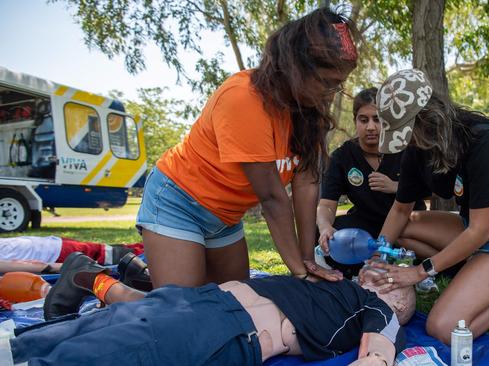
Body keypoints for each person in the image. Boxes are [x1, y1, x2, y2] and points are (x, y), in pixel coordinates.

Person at [136, 7, 359, 291]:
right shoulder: (244, 99)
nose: (330, 94)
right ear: (299, 67)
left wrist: (307, 259)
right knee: (183, 310)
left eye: (337, 86)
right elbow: (272, 198)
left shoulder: (308, 111)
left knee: (236, 301)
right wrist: (300, 274)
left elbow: (306, 184)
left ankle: (143, 276)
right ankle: (106, 285)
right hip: (179, 202)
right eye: (328, 83)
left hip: (226, 217)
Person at [363, 69, 489, 344]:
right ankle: (479, 271)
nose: (406, 140)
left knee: (444, 328)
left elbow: (481, 232)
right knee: (405, 228)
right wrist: (376, 257)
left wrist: (419, 271)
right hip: (475, 226)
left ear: (428, 119)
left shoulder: (483, 141)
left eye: (407, 132)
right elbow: (400, 211)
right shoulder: (417, 148)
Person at [13, 252, 416, 365]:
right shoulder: (333, 283)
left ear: (397, 299)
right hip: (220, 322)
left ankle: (93, 278)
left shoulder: (377, 308)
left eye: (390, 278)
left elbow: (378, 351)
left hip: (213, 307)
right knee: (110, 348)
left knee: (101, 333)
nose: (381, 274)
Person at [316, 88, 426, 278]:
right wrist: (325, 227)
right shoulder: (342, 157)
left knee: (412, 238)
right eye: (363, 120)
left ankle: (413, 263)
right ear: (355, 121)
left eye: (377, 119)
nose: (371, 127)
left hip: (408, 222)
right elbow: (326, 204)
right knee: (319, 232)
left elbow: (434, 189)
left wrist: (396, 187)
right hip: (366, 228)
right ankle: (357, 267)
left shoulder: (406, 147)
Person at [0, 235, 143, 274]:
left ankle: (153, 249)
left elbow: (30, 266)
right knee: (110, 252)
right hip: (50, 247)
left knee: (111, 255)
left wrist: (65, 267)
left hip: (53, 252)